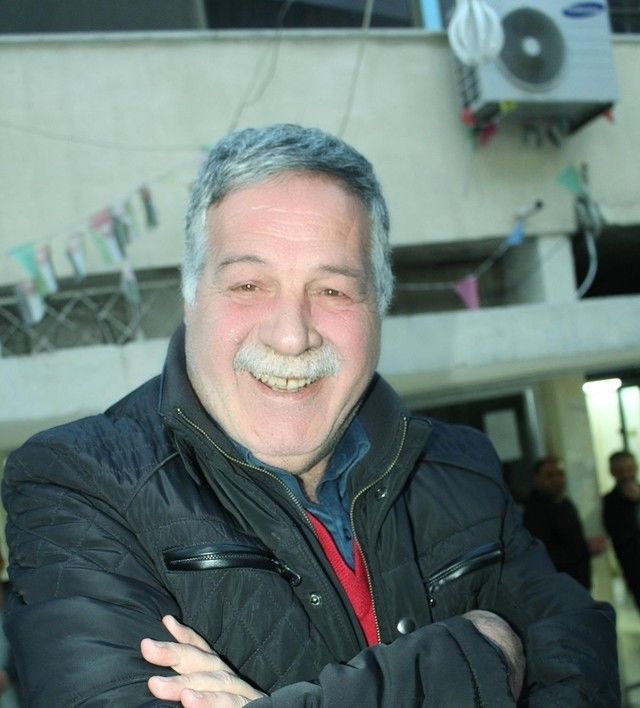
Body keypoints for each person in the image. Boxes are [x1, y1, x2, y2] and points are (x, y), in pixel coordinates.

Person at [2, 124, 619, 707]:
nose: (292, 336)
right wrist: (486, 651)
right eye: (249, 285)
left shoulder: (461, 467)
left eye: (332, 291)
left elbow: (581, 653)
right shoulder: (79, 484)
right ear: (191, 296)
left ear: (379, 308)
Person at [523, 455, 607, 589]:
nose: (556, 479)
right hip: (560, 587)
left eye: (559, 474)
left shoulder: (566, 504)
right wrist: (585, 549)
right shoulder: (535, 512)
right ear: (537, 479)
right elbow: (544, 555)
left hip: (579, 583)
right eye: (549, 475)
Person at [603, 450, 640, 610]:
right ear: (613, 472)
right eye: (621, 471)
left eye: (629, 469)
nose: (626, 475)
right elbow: (622, 537)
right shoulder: (611, 501)